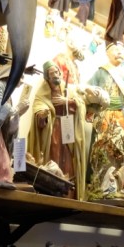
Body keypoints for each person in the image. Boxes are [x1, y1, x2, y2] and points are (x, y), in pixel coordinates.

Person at [86, 43, 124, 202]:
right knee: (104, 151)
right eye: (115, 50)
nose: (119, 53)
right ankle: (103, 185)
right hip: (106, 117)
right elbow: (87, 92)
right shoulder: (101, 72)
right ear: (107, 53)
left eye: (122, 51)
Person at [28, 61, 86, 199]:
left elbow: (81, 104)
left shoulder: (68, 90)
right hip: (53, 130)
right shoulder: (43, 92)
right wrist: (43, 114)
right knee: (54, 155)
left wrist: (68, 101)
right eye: (52, 73)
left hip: (68, 129)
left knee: (68, 158)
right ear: (47, 77)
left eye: (57, 71)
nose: (56, 75)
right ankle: (51, 188)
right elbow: (39, 106)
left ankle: (69, 192)